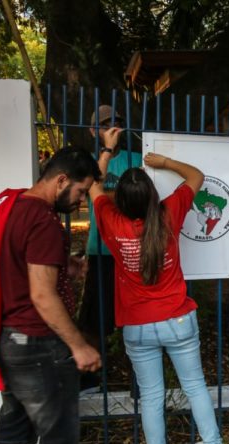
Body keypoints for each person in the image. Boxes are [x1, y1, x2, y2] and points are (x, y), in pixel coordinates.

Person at [88, 127, 229, 444]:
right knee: (195, 386)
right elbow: (197, 176)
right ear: (152, 195)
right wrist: (164, 161)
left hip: (137, 325)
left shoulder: (110, 219)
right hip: (178, 317)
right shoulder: (169, 213)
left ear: (119, 199)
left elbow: (92, 183)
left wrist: (107, 150)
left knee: (151, 397)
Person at [0, 147, 105, 444]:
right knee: (58, 427)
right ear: (61, 180)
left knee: (12, 420)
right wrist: (78, 345)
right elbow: (42, 295)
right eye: (80, 192)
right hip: (38, 343)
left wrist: (66, 266)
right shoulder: (43, 222)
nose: (79, 201)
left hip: (8, 336)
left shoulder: (10, 204)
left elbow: (15, 261)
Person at [77, 105, 142, 391]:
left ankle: (139, 378)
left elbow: (141, 198)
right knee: (93, 319)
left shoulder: (137, 159)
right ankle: (91, 378)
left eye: (117, 122)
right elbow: (91, 187)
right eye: (106, 124)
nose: (113, 128)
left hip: (130, 250)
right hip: (101, 250)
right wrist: (106, 153)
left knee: (136, 317)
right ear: (94, 131)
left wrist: (104, 196)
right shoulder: (88, 162)